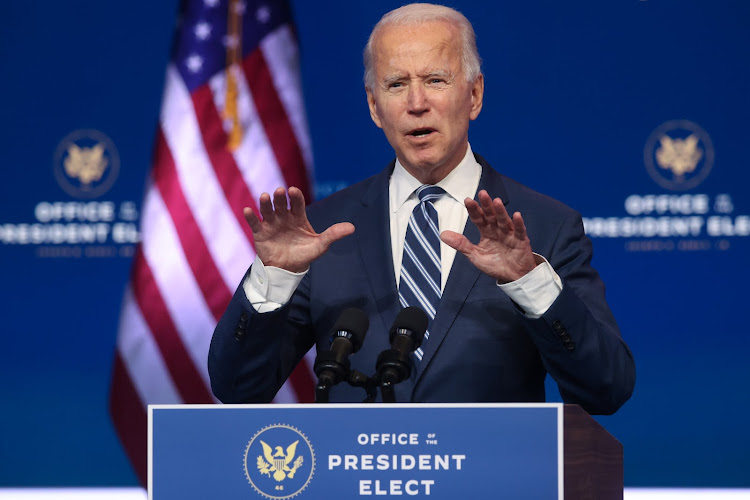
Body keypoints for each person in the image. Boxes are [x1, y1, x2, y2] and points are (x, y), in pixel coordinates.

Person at [208, 3, 635, 414]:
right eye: (396, 84)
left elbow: (606, 387)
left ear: (474, 95)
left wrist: (529, 282)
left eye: (435, 80)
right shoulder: (322, 232)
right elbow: (238, 388)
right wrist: (275, 279)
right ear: (375, 107)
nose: (416, 103)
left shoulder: (545, 226)